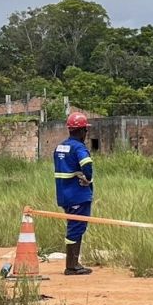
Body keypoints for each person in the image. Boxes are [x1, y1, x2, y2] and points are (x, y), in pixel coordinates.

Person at [53, 111, 95, 275]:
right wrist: (88, 179)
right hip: (78, 194)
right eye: (85, 130)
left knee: (73, 226)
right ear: (81, 131)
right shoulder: (78, 147)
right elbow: (87, 163)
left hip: (64, 195)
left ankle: (73, 263)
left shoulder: (59, 147)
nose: (86, 133)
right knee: (76, 228)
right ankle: (72, 265)